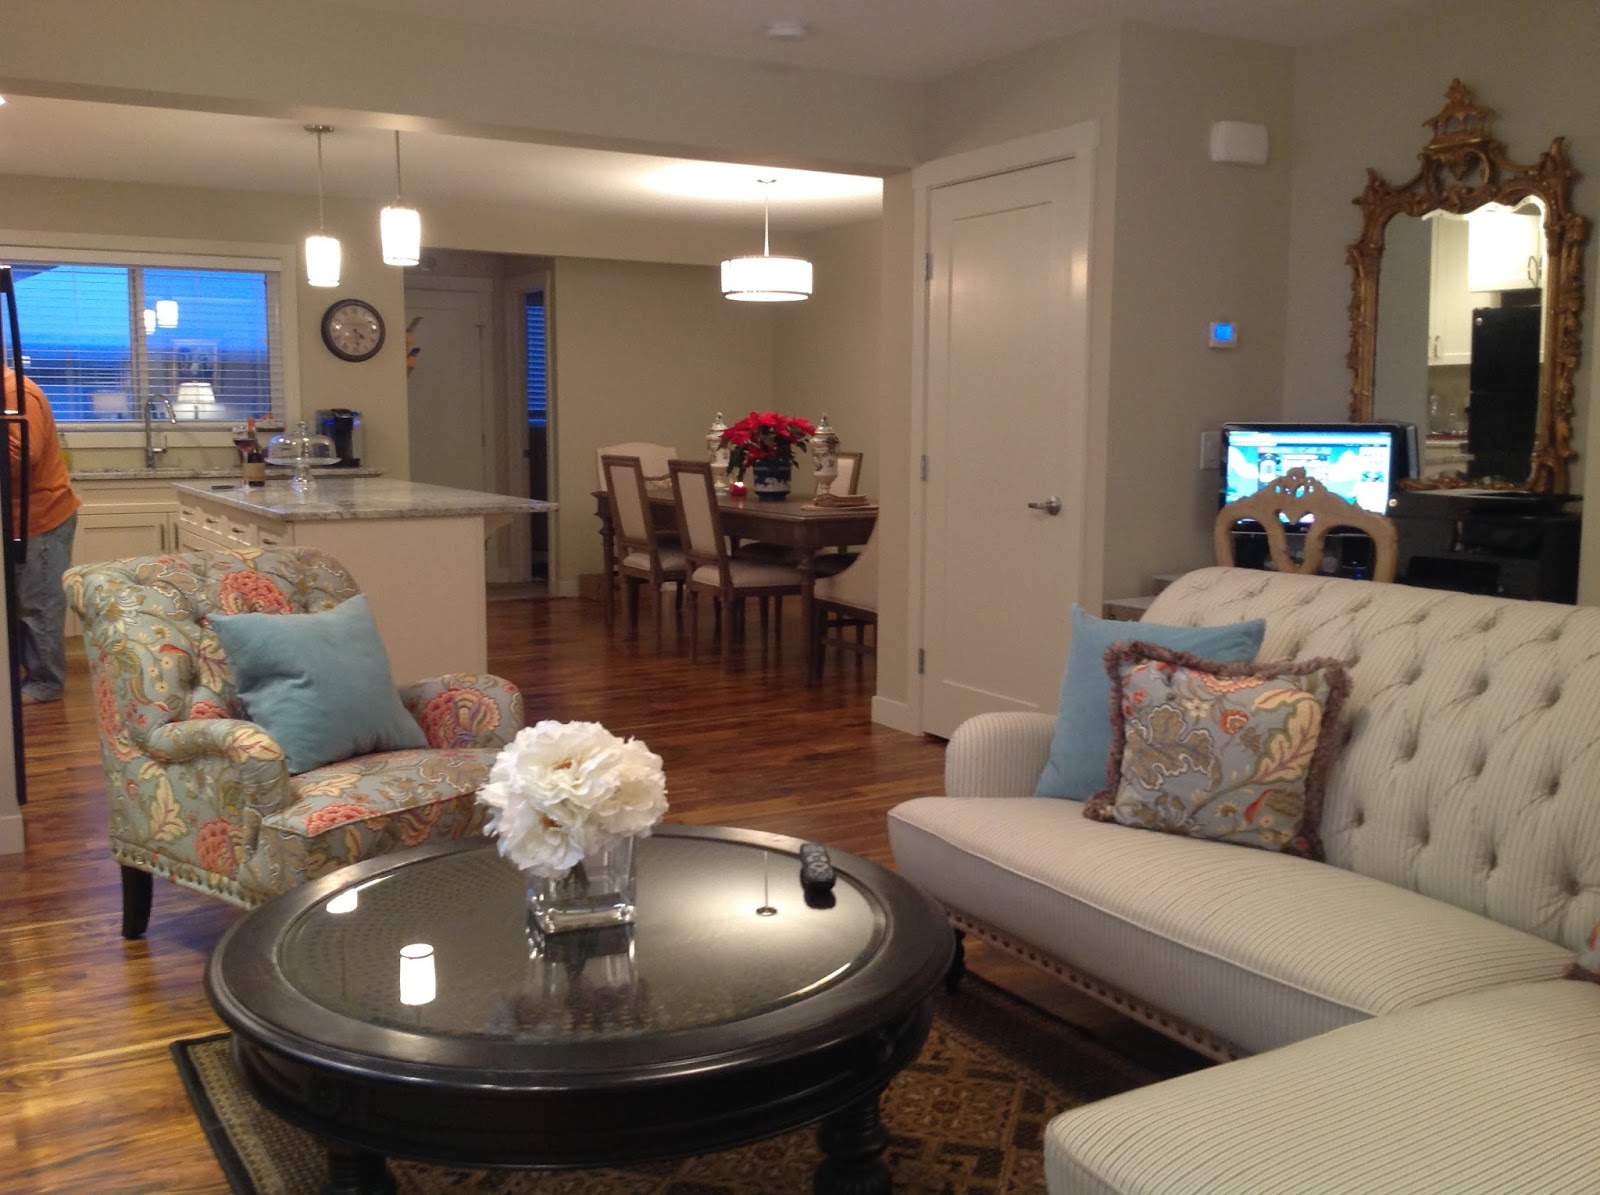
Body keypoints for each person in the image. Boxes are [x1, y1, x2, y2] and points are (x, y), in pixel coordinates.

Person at [4, 368, 79, 704]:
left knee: (39, 607)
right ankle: (27, 676)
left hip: (41, 517)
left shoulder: (15, 392)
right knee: (20, 605)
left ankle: (46, 683)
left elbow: (19, 458)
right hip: (17, 519)